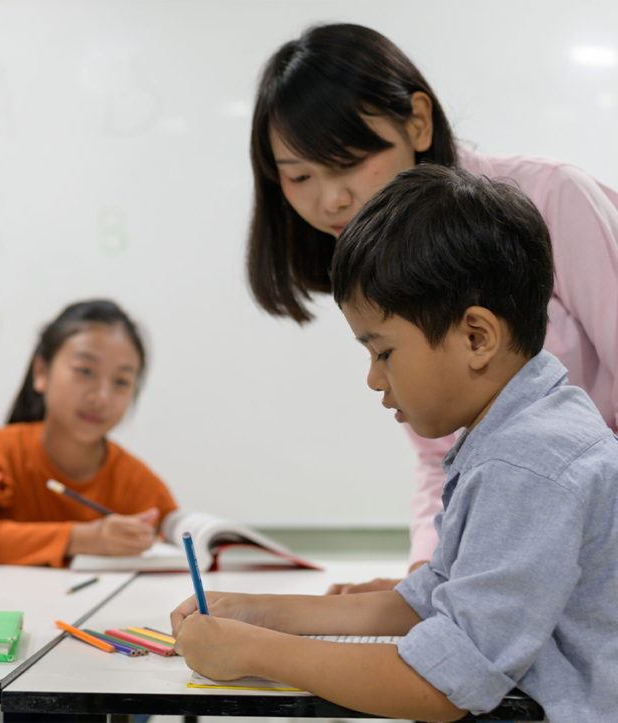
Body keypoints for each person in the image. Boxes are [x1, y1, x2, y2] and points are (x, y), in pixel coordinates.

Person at [173, 165, 618, 721]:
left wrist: (249, 650)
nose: (374, 379)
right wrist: (265, 612)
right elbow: (434, 596)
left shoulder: (527, 463)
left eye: (383, 352)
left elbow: (444, 685)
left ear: (476, 337)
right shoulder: (521, 427)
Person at [244, 22, 618, 592]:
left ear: (417, 122)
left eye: (347, 163)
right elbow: (439, 455)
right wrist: (427, 577)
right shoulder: (379, 257)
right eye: (299, 177)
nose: (330, 199)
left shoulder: (549, 197)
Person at [0, 299, 178, 567]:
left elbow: (179, 546)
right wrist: (85, 539)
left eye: (121, 381)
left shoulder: (137, 483)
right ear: (41, 372)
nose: (101, 397)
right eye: (85, 371)